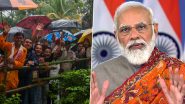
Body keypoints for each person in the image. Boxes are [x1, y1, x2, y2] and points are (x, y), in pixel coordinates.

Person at [91, 1, 185, 104]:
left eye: (141, 27)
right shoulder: (99, 76)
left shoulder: (178, 71)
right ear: (116, 35)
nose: (134, 36)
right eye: (125, 29)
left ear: (155, 29)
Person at [0, 23, 27, 90]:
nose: (19, 39)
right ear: (14, 38)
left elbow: (21, 64)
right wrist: (4, 34)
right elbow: (1, 44)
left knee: (10, 93)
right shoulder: (9, 45)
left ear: (23, 39)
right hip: (3, 71)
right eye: (17, 38)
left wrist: (14, 62)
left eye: (20, 38)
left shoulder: (24, 50)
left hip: (13, 75)